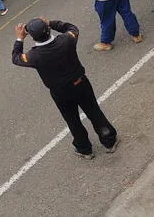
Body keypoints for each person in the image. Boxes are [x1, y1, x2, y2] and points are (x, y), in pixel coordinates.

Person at [12, 17, 119, 159]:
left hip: (60, 92)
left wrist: (19, 38)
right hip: (80, 83)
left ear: (31, 36)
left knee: (72, 120)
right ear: (48, 30)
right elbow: (72, 28)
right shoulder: (66, 40)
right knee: (93, 111)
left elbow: (16, 57)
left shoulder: (34, 56)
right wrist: (51, 22)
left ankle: (84, 148)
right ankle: (109, 141)